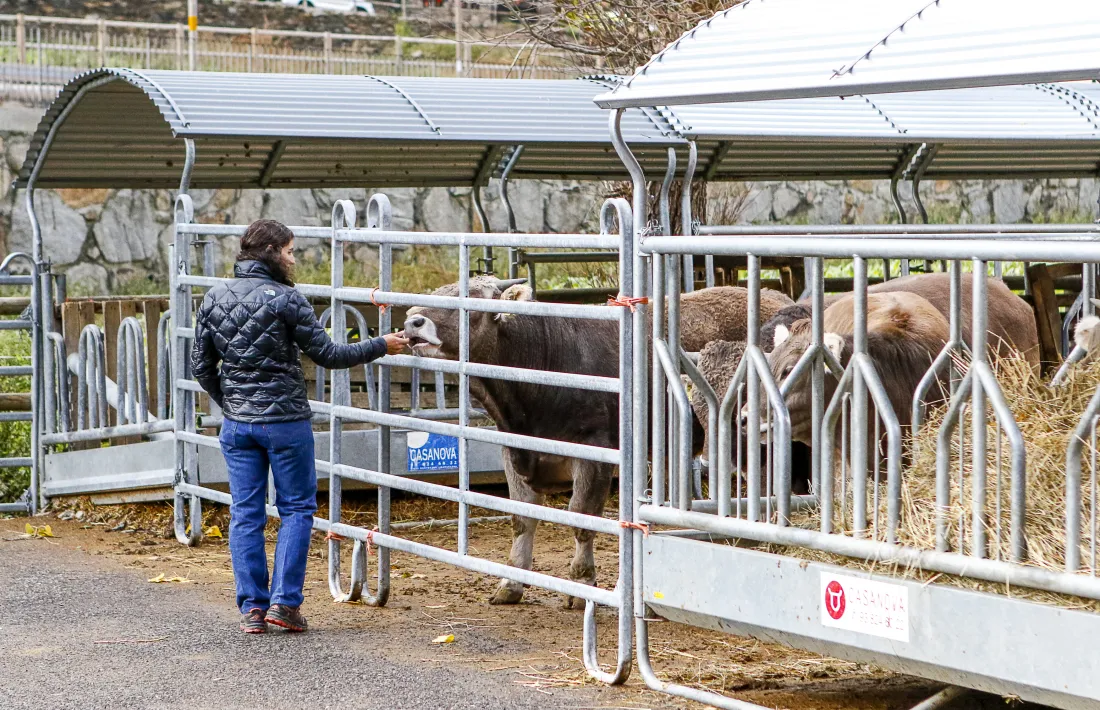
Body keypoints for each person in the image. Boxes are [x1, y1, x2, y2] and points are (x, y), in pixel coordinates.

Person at [191, 219, 407, 634]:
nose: (293, 259)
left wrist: (233, 405)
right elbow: (329, 354)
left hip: (238, 427)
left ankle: (253, 609)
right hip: (286, 424)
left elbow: (201, 367)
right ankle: (284, 605)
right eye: (290, 251)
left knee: (246, 513)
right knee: (296, 509)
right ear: (272, 251)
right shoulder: (287, 299)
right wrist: (382, 344)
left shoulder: (213, 297)